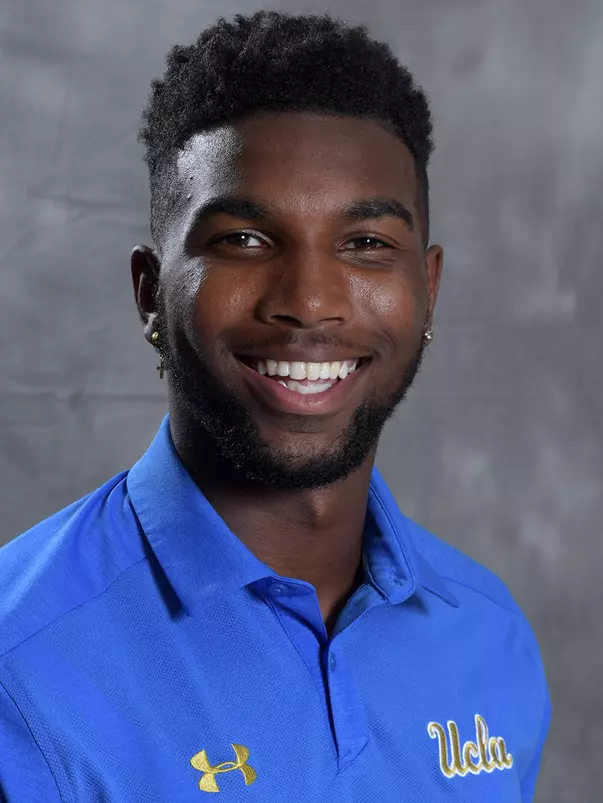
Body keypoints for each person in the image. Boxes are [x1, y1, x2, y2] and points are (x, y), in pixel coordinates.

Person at [0, 10, 550, 802]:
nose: (310, 302)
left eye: (365, 243)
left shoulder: (487, 633)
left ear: (427, 289)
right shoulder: (22, 670)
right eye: (244, 241)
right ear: (150, 292)